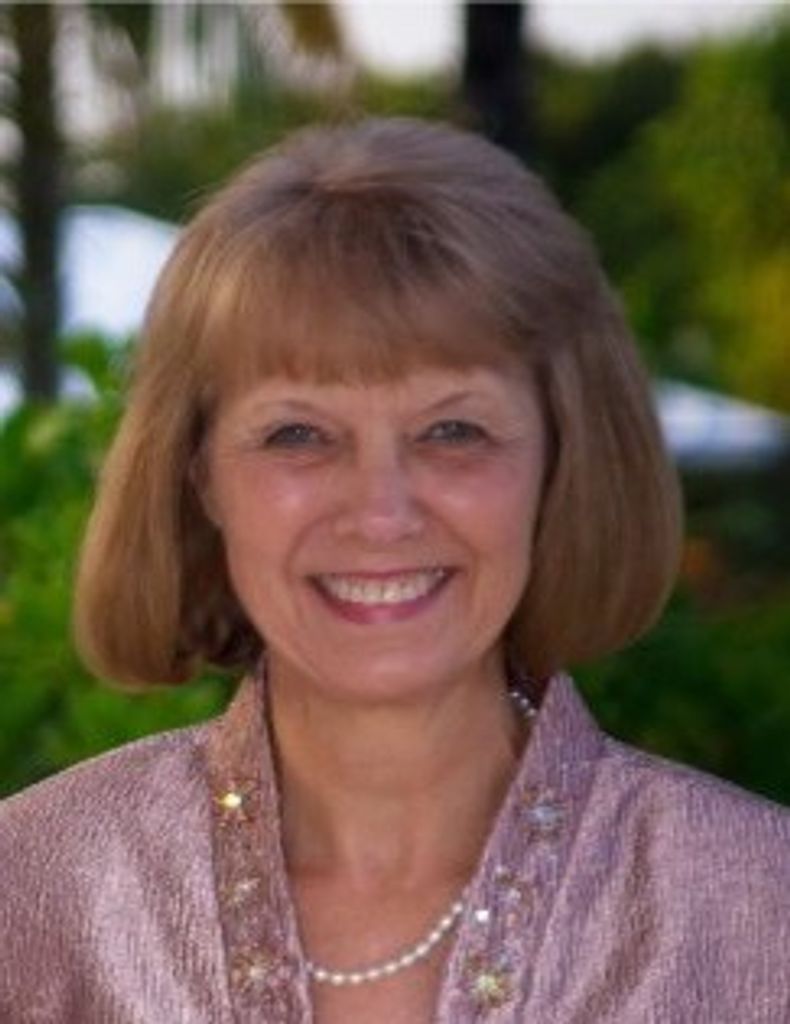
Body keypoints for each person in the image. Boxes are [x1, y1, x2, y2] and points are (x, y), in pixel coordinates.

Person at [1, 117, 788, 1024]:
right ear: (200, 475)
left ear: (561, 463)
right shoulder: (33, 898)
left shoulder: (759, 911)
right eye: (299, 433)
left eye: (453, 430)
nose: (381, 513)